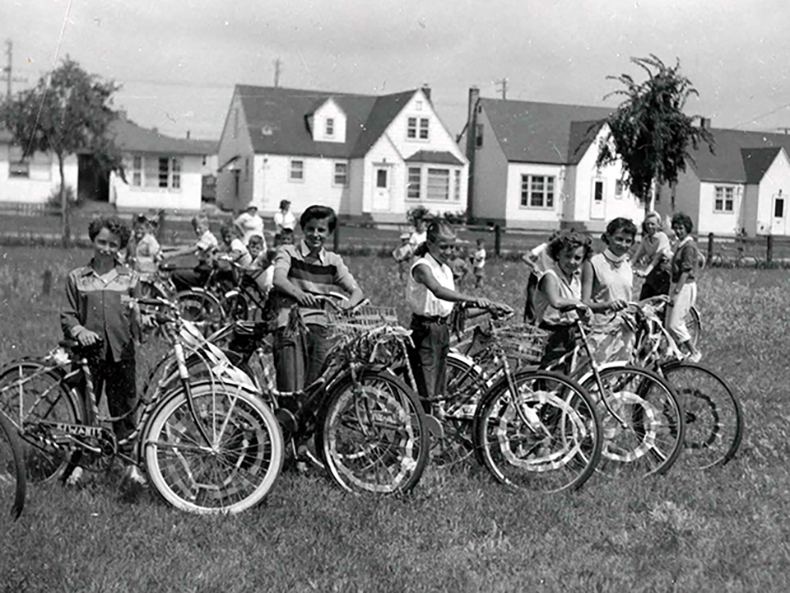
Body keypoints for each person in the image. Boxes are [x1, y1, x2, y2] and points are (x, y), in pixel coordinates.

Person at [60, 216, 146, 486]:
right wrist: (80, 331)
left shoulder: (130, 278)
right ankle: (79, 465)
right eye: (102, 242)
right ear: (93, 241)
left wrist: (136, 315)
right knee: (85, 412)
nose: (106, 248)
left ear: (121, 246)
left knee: (124, 411)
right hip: (88, 357)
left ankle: (130, 466)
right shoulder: (77, 277)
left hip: (122, 354)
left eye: (113, 244)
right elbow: (67, 316)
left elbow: (137, 324)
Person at [406, 220, 509, 409]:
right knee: (426, 390)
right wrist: (472, 298)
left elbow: (455, 310)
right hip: (425, 331)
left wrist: (489, 307)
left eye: (452, 247)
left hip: (441, 330)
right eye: (443, 247)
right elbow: (437, 290)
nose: (448, 251)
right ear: (429, 244)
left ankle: (432, 428)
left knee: (439, 390)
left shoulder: (445, 269)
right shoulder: (422, 266)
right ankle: (423, 429)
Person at [271, 205, 365, 392]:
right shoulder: (289, 252)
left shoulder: (333, 261)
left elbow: (357, 291)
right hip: (290, 325)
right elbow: (278, 279)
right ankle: (284, 420)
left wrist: (349, 304)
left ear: (329, 233)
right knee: (292, 389)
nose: (316, 234)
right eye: (310, 229)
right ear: (303, 229)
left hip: (320, 328)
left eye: (321, 230)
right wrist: (299, 294)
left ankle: (309, 421)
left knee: (316, 390)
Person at [533, 230, 592, 366]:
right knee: (552, 376)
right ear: (558, 254)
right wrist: (579, 304)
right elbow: (556, 301)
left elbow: (574, 309)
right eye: (567, 256)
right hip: (552, 332)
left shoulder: (575, 279)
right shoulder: (550, 276)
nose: (572, 262)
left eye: (577, 258)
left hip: (571, 331)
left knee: (568, 375)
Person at [582, 217, 636, 323]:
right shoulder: (593, 262)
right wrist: (607, 305)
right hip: (602, 328)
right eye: (619, 239)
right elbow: (585, 303)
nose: (623, 245)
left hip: (625, 328)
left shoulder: (627, 264)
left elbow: (629, 303)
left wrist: (651, 301)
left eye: (628, 241)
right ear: (608, 237)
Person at [667, 212, 702, 362]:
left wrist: (677, 289)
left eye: (681, 228)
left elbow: (686, 270)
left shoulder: (689, 246)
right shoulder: (680, 245)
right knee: (668, 324)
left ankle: (694, 351)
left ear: (687, 228)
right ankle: (676, 351)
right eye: (675, 228)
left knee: (675, 324)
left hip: (684, 286)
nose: (678, 231)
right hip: (676, 283)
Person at [166, 213, 219, 292]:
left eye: (199, 228)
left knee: (176, 275)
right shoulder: (203, 238)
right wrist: (169, 250)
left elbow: (192, 249)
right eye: (195, 228)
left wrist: (170, 255)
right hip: (202, 270)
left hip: (204, 273)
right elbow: (188, 247)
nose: (197, 231)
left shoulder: (208, 238)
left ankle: (183, 297)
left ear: (206, 226)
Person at [522, 231, 560, 323]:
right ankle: (529, 324)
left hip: (549, 280)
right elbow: (525, 257)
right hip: (537, 277)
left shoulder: (559, 252)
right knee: (532, 302)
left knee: (548, 303)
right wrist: (534, 265)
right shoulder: (543, 247)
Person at [633, 211, 672, 299]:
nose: (650, 227)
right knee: (644, 299)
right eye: (647, 224)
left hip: (663, 273)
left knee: (659, 302)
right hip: (651, 274)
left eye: (653, 224)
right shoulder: (646, 239)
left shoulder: (662, 237)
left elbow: (657, 258)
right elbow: (636, 256)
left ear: (658, 225)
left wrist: (645, 272)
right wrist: (626, 267)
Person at [128, 213, 161, 278]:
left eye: (141, 229)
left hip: (148, 275)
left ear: (146, 229)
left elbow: (159, 259)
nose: (139, 231)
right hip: (134, 274)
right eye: (137, 228)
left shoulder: (151, 241)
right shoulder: (131, 241)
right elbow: (127, 256)